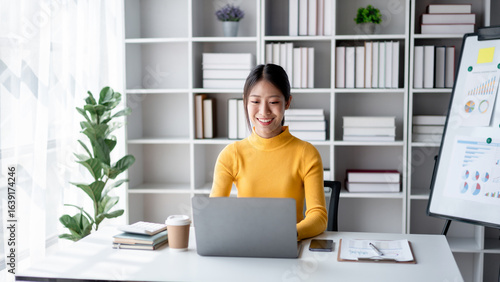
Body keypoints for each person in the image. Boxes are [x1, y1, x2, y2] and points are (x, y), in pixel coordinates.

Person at [210, 64, 327, 240]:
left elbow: (318, 216)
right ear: (245, 102)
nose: (264, 111)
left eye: (273, 102)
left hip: (289, 243)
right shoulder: (231, 154)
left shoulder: (306, 154)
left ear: (287, 102)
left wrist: (288, 234)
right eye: (255, 102)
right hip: (244, 243)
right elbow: (215, 212)